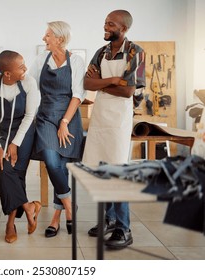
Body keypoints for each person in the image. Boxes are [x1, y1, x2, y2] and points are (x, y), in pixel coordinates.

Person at [82, 10, 146, 249]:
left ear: (124, 28)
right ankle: (108, 219)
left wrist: (102, 83)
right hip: (100, 116)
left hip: (119, 117)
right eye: (105, 22)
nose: (105, 26)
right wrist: (112, 81)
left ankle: (123, 227)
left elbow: (129, 91)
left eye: (111, 23)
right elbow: (87, 83)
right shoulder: (101, 52)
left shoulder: (136, 53)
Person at [30, 21, 86, 238]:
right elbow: (29, 83)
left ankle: (56, 217)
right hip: (45, 117)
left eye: (48, 35)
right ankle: (71, 208)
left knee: (61, 167)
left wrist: (64, 123)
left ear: (59, 39)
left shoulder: (77, 62)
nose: (44, 38)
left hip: (68, 118)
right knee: (52, 163)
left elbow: (78, 95)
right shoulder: (40, 60)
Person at [0, 50, 41, 243]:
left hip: (23, 133)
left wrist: (15, 143)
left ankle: (10, 223)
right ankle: (28, 206)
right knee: (5, 171)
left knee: (17, 174)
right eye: (21, 66)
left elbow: (30, 116)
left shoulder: (29, 82)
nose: (25, 69)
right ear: (7, 73)